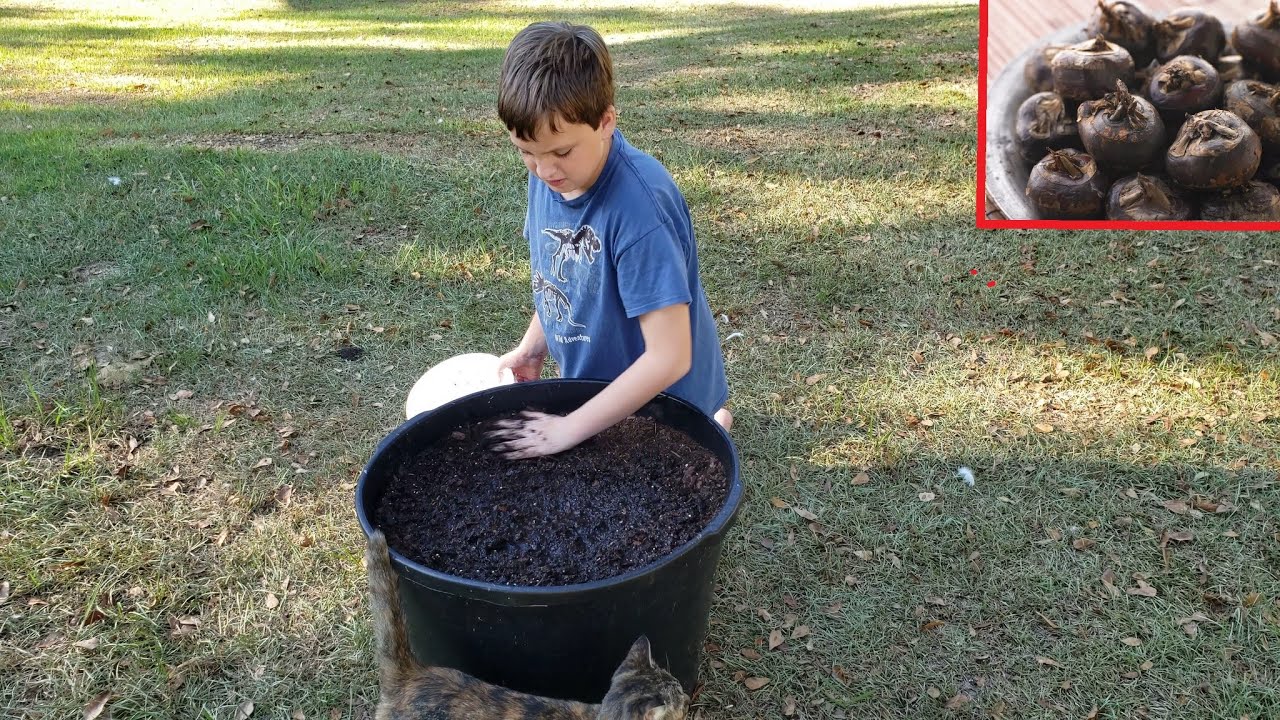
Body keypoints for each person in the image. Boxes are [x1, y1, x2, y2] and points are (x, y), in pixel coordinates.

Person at [486, 20, 730, 460]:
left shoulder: (639, 210)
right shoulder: (552, 177)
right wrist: (532, 345)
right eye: (526, 152)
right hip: (599, 392)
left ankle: (710, 422)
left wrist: (567, 429)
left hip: (664, 400)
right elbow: (561, 277)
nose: (544, 171)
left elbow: (670, 357)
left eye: (561, 152)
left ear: (605, 122)